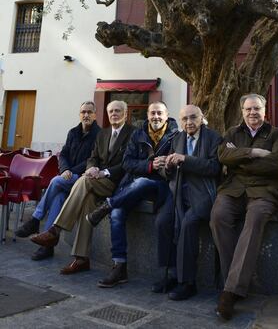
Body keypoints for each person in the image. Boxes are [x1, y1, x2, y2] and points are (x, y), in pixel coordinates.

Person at [30, 100, 134, 274]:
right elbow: (93, 157)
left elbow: (128, 163)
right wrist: (91, 167)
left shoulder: (133, 133)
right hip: (98, 181)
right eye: (111, 111)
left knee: (83, 181)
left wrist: (104, 172)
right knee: (87, 203)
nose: (114, 113)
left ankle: (56, 229)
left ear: (125, 113)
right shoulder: (104, 134)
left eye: (118, 110)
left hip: (117, 183)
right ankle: (81, 258)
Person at [210, 93, 278, 321]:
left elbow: (276, 164)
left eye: (257, 109)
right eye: (248, 109)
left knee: (254, 220)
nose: (252, 113)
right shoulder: (233, 132)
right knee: (218, 216)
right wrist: (253, 153)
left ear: (265, 111)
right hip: (234, 189)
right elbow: (223, 155)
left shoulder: (277, 135)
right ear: (242, 112)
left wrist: (239, 161)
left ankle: (231, 291)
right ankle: (232, 282)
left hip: (264, 191)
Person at [85, 102, 178, 288]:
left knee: (142, 182)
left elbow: (178, 163)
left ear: (167, 115)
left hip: (161, 187)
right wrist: (150, 165)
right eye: (152, 113)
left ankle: (107, 205)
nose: (156, 117)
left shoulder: (176, 136)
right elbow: (127, 163)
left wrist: (167, 162)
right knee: (118, 213)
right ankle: (120, 266)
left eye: (160, 113)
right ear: (148, 115)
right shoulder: (138, 134)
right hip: (132, 184)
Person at [16, 101, 100, 261]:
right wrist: (64, 170)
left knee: (55, 182)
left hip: (83, 178)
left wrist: (71, 171)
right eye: (83, 112)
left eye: (90, 112)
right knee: (58, 199)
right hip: (68, 176)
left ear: (95, 114)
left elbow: (93, 159)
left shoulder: (99, 134)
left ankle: (35, 219)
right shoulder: (73, 132)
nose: (86, 115)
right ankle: (47, 246)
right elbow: (63, 154)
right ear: (79, 114)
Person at [154, 104, 221, 301]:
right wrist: (165, 166)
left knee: (188, 223)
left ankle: (188, 282)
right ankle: (171, 273)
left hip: (203, 194)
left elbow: (214, 167)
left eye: (193, 118)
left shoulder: (213, 138)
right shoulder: (178, 137)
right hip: (178, 193)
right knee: (161, 222)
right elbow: (169, 172)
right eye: (184, 119)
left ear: (202, 118)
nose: (189, 122)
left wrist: (186, 159)